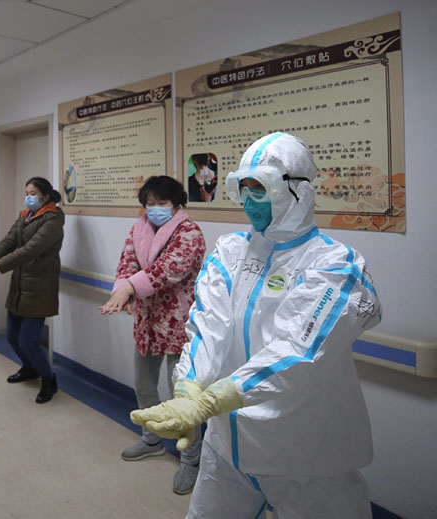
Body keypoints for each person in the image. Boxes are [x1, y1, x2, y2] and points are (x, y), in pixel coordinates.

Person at [131, 133, 382, 518]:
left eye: (259, 189)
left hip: (305, 456)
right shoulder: (230, 252)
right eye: (242, 189)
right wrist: (188, 387)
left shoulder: (334, 265)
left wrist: (208, 401)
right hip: (227, 447)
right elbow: (207, 325)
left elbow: (298, 352)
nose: (248, 201)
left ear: (296, 192)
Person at [99, 175, 206, 495]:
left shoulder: (190, 233)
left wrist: (131, 288)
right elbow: (126, 264)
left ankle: (191, 458)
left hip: (179, 323)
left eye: (162, 203)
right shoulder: (139, 229)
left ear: (177, 204)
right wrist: (123, 290)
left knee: (183, 396)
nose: (155, 209)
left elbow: (169, 270)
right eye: (150, 204)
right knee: (144, 386)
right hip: (146, 323)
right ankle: (152, 440)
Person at [0, 177, 64, 403]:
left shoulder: (53, 220)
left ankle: (49, 379)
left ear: (45, 196)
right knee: (12, 336)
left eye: (33, 193)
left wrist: (0, 264)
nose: (28, 197)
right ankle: (30, 367)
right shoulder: (25, 215)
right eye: (26, 192)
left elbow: (32, 249)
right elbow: (10, 240)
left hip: (40, 286)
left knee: (28, 340)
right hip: (19, 283)